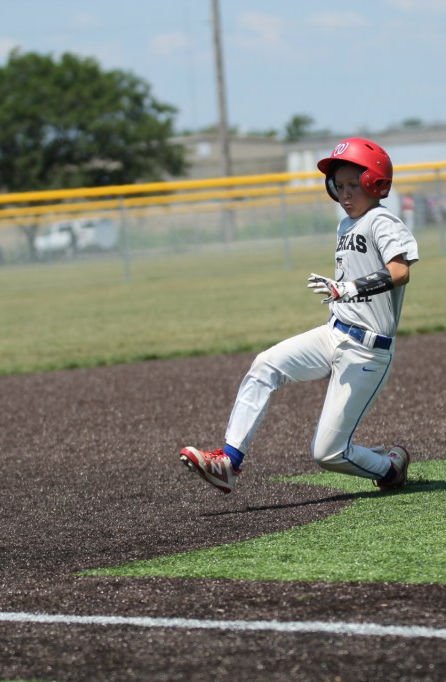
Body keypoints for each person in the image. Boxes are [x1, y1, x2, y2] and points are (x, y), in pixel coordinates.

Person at [179, 137, 419, 494]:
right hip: (334, 333)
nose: (345, 194)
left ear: (375, 183)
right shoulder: (345, 225)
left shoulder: (382, 221)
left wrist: (349, 288)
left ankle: (390, 468)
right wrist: (343, 291)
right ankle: (229, 462)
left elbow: (400, 272)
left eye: (353, 185)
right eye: (338, 186)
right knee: (265, 364)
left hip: (367, 352)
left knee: (327, 454)